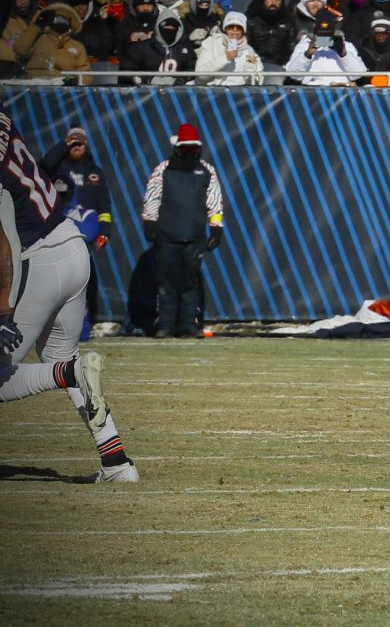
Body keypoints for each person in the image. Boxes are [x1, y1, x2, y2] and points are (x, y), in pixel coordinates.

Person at [0, 110, 128, 483]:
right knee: (60, 355)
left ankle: (69, 373)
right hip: (71, 243)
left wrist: (5, 311)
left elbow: (4, 241)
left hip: (37, 257)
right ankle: (117, 462)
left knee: (46, 369)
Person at [141, 123, 225, 339]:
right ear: (177, 147)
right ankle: (166, 325)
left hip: (195, 236)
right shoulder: (163, 169)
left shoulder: (207, 170)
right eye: (185, 147)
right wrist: (150, 223)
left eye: (193, 148)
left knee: (190, 282)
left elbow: (214, 201)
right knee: (167, 283)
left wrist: (216, 228)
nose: (189, 152)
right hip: (167, 236)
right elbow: (152, 197)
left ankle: (189, 325)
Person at [39, 127, 114, 333]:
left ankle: (83, 323)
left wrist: (105, 232)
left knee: (83, 281)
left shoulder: (94, 173)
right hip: (56, 235)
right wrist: (63, 144)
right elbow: (42, 165)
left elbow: (104, 206)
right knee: (55, 282)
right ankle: (48, 323)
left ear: (87, 145)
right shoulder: (57, 167)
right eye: (72, 142)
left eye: (80, 142)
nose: (76, 146)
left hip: (83, 238)